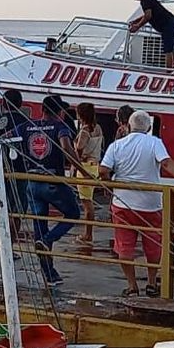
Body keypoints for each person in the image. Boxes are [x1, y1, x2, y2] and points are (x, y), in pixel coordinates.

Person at [100, 110, 174, 297]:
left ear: (129, 126)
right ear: (148, 127)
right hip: (151, 204)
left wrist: (110, 185)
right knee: (154, 245)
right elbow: (166, 163)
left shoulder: (116, 145)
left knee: (124, 246)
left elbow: (103, 170)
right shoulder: (155, 142)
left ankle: (132, 286)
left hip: (123, 203)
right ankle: (151, 282)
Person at [15, 95, 83, 285]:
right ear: (59, 112)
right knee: (73, 214)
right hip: (53, 181)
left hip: (31, 182)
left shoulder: (26, 126)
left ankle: (50, 275)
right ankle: (49, 239)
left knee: (39, 226)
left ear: (42, 109)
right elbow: (66, 148)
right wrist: (81, 169)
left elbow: (5, 137)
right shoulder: (60, 127)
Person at [0, 89, 29, 256]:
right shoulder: (26, 122)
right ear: (20, 104)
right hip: (20, 172)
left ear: (3, 104)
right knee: (16, 211)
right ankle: (8, 249)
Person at [128, 0, 174, 68]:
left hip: (168, 25)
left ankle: (169, 71)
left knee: (168, 49)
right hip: (172, 23)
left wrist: (137, 26)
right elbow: (147, 14)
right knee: (170, 46)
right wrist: (135, 21)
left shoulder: (145, 0)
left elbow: (148, 16)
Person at [73, 102, 104, 246]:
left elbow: (78, 149)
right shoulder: (98, 128)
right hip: (95, 166)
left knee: (86, 203)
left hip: (85, 167)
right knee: (89, 201)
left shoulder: (85, 131)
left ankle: (88, 234)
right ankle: (88, 233)